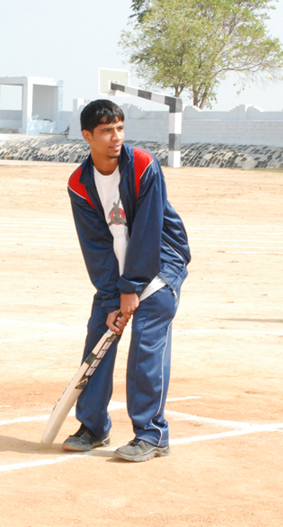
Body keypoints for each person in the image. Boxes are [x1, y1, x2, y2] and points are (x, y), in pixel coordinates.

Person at [63, 99, 190, 462]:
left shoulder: (142, 165)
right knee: (98, 339)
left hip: (161, 261)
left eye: (119, 128)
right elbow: (96, 245)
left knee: (146, 347)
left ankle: (152, 434)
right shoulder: (79, 183)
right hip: (118, 275)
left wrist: (132, 288)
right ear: (87, 136)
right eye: (106, 131)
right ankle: (94, 426)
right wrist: (111, 294)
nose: (115, 137)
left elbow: (150, 230)